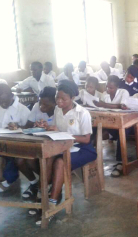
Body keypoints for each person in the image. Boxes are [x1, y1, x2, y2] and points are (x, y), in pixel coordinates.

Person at [38, 80, 96, 225]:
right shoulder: (58, 110)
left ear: (72, 98)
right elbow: (58, 128)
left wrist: (68, 136)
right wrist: (48, 127)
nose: (59, 101)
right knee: (47, 157)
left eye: (63, 99)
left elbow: (87, 139)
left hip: (84, 149)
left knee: (60, 161)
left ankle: (52, 202)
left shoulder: (82, 113)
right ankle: (46, 192)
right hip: (64, 146)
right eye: (57, 98)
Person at [16, 87, 56, 200]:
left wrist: (49, 128)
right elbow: (28, 126)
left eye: (46, 105)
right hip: (38, 143)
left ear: (55, 102)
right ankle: (36, 183)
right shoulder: (36, 107)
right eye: (40, 103)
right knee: (20, 160)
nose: (41, 107)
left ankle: (44, 185)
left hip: (54, 146)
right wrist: (17, 127)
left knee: (39, 160)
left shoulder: (60, 110)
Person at [0, 84, 30, 192]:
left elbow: (29, 130)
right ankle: (3, 179)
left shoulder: (23, 110)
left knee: (8, 171)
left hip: (16, 147)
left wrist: (18, 127)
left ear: (11, 96)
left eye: (3, 101)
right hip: (2, 143)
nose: (2, 104)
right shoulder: (0, 107)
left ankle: (6, 179)